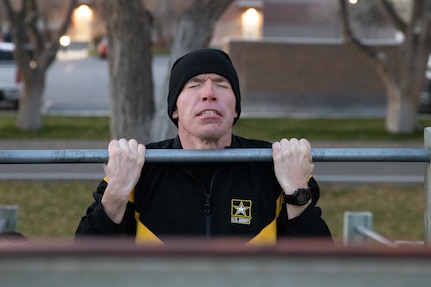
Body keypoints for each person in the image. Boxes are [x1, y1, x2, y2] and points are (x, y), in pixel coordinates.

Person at [75, 48, 332, 244]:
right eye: (194, 85)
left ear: (235, 109)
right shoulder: (140, 169)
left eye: (221, 85)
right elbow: (83, 262)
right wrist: (117, 190)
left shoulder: (272, 168)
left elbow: (323, 268)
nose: (209, 93)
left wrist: (297, 192)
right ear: (175, 109)